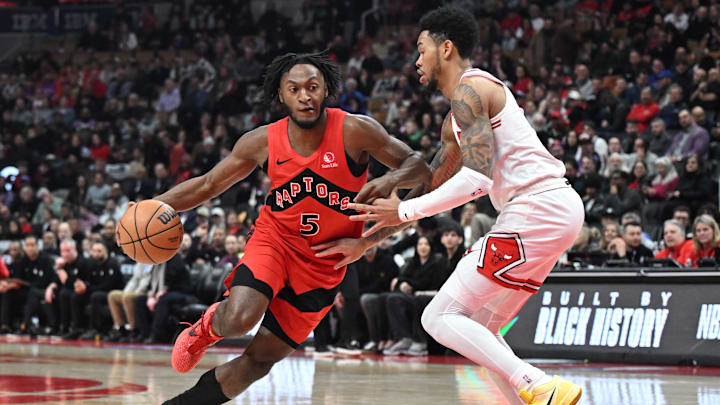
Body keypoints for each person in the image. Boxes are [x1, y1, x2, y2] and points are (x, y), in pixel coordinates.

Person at [152, 50, 429, 404]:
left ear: (325, 89)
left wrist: (392, 183)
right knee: (238, 318)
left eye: (313, 87)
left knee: (259, 361)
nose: (305, 96)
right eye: (295, 89)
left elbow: (419, 165)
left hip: (325, 264)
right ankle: (205, 328)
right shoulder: (262, 141)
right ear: (281, 95)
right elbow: (207, 185)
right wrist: (154, 204)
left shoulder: (355, 130)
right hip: (276, 242)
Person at [340, 7, 584, 405]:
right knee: (482, 331)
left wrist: (400, 211)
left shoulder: (471, 91)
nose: (416, 60)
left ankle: (540, 383)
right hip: (548, 212)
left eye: (421, 49)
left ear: (446, 48)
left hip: (537, 208)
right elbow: (427, 192)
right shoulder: (455, 120)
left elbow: (476, 180)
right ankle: (534, 395)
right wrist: (368, 241)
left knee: (437, 316)